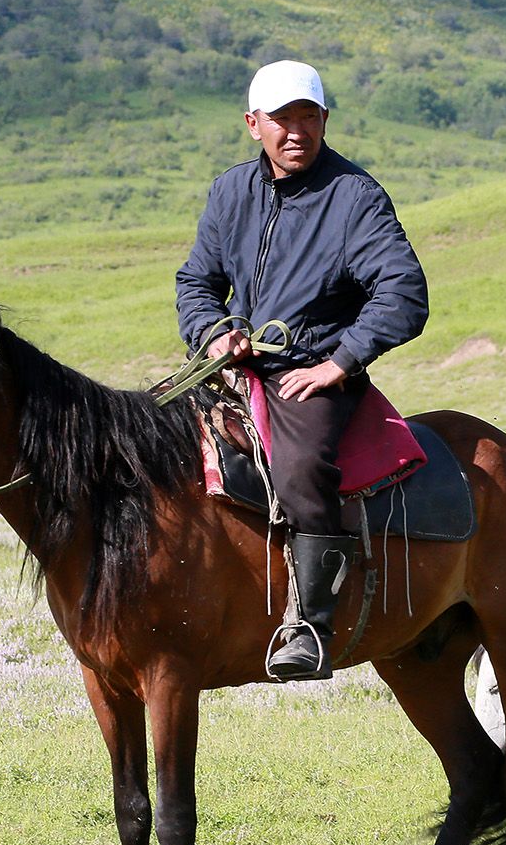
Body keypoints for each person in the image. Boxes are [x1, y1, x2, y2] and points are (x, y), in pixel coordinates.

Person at [176, 60, 430, 679]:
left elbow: (404, 291)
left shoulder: (355, 197)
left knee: (298, 466)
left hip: (310, 373)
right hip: (236, 365)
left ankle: (312, 625)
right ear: (252, 124)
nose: (296, 132)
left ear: (325, 120)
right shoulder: (230, 191)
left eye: (308, 118)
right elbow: (196, 283)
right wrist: (215, 335)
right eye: (282, 119)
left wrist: (340, 363)